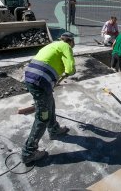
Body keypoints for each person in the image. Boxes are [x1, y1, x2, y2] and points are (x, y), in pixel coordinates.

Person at [22, 32, 76, 164]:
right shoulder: (65, 46)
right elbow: (70, 69)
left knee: (50, 103)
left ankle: (54, 130)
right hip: (40, 82)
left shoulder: (53, 45)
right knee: (42, 117)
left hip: (32, 78)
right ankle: (28, 152)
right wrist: (69, 71)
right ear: (71, 41)